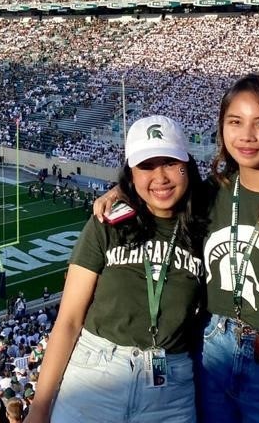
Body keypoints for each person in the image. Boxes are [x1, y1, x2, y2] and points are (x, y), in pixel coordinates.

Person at [93, 73, 259, 423]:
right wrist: (117, 192)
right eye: (235, 122)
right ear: (222, 128)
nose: (247, 136)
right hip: (211, 347)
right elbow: (159, 188)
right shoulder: (210, 193)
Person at [26, 115, 207, 423]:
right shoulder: (107, 223)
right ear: (131, 173)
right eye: (147, 166)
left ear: (187, 165)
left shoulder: (208, 223)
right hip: (96, 375)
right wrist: (40, 407)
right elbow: (68, 320)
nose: (160, 176)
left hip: (170, 389)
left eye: (170, 162)